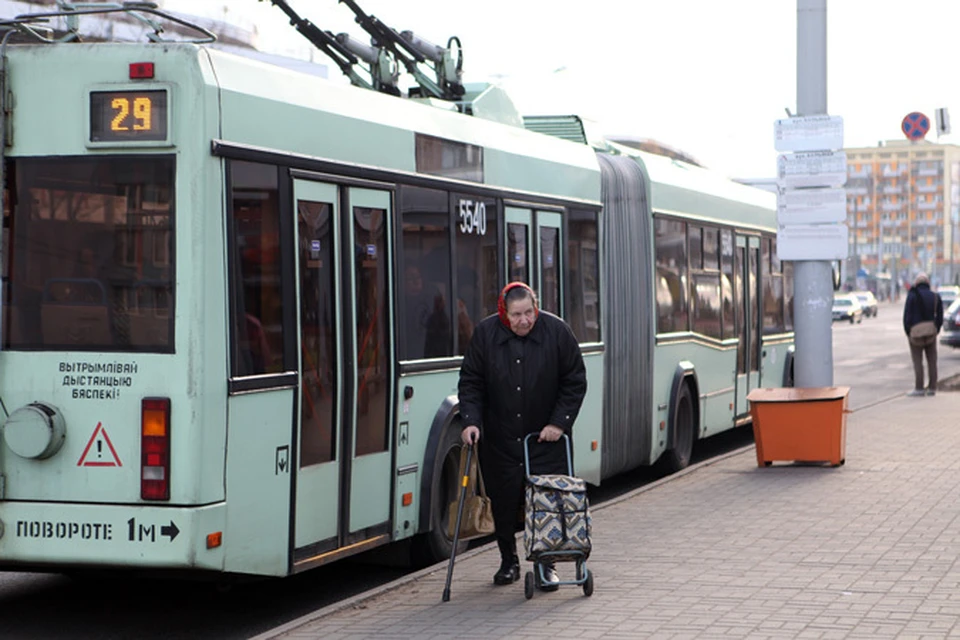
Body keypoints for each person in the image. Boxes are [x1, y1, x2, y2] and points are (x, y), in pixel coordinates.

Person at [458, 282, 587, 589]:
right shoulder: (486, 334)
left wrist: (559, 423)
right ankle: (509, 561)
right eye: (517, 315)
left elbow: (575, 381)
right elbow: (471, 382)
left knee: (546, 502)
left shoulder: (557, 332)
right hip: (501, 439)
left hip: (545, 439)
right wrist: (471, 421)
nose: (525, 320)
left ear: (536, 307)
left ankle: (547, 565)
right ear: (504, 313)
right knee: (503, 503)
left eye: (529, 312)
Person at [902, 272, 943, 397]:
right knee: (932, 361)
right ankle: (932, 388)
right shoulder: (935, 296)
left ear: (916, 283)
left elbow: (906, 316)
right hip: (931, 332)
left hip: (915, 333)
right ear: (928, 283)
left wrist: (908, 331)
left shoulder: (912, 296)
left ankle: (919, 388)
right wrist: (936, 329)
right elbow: (940, 317)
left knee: (918, 362)